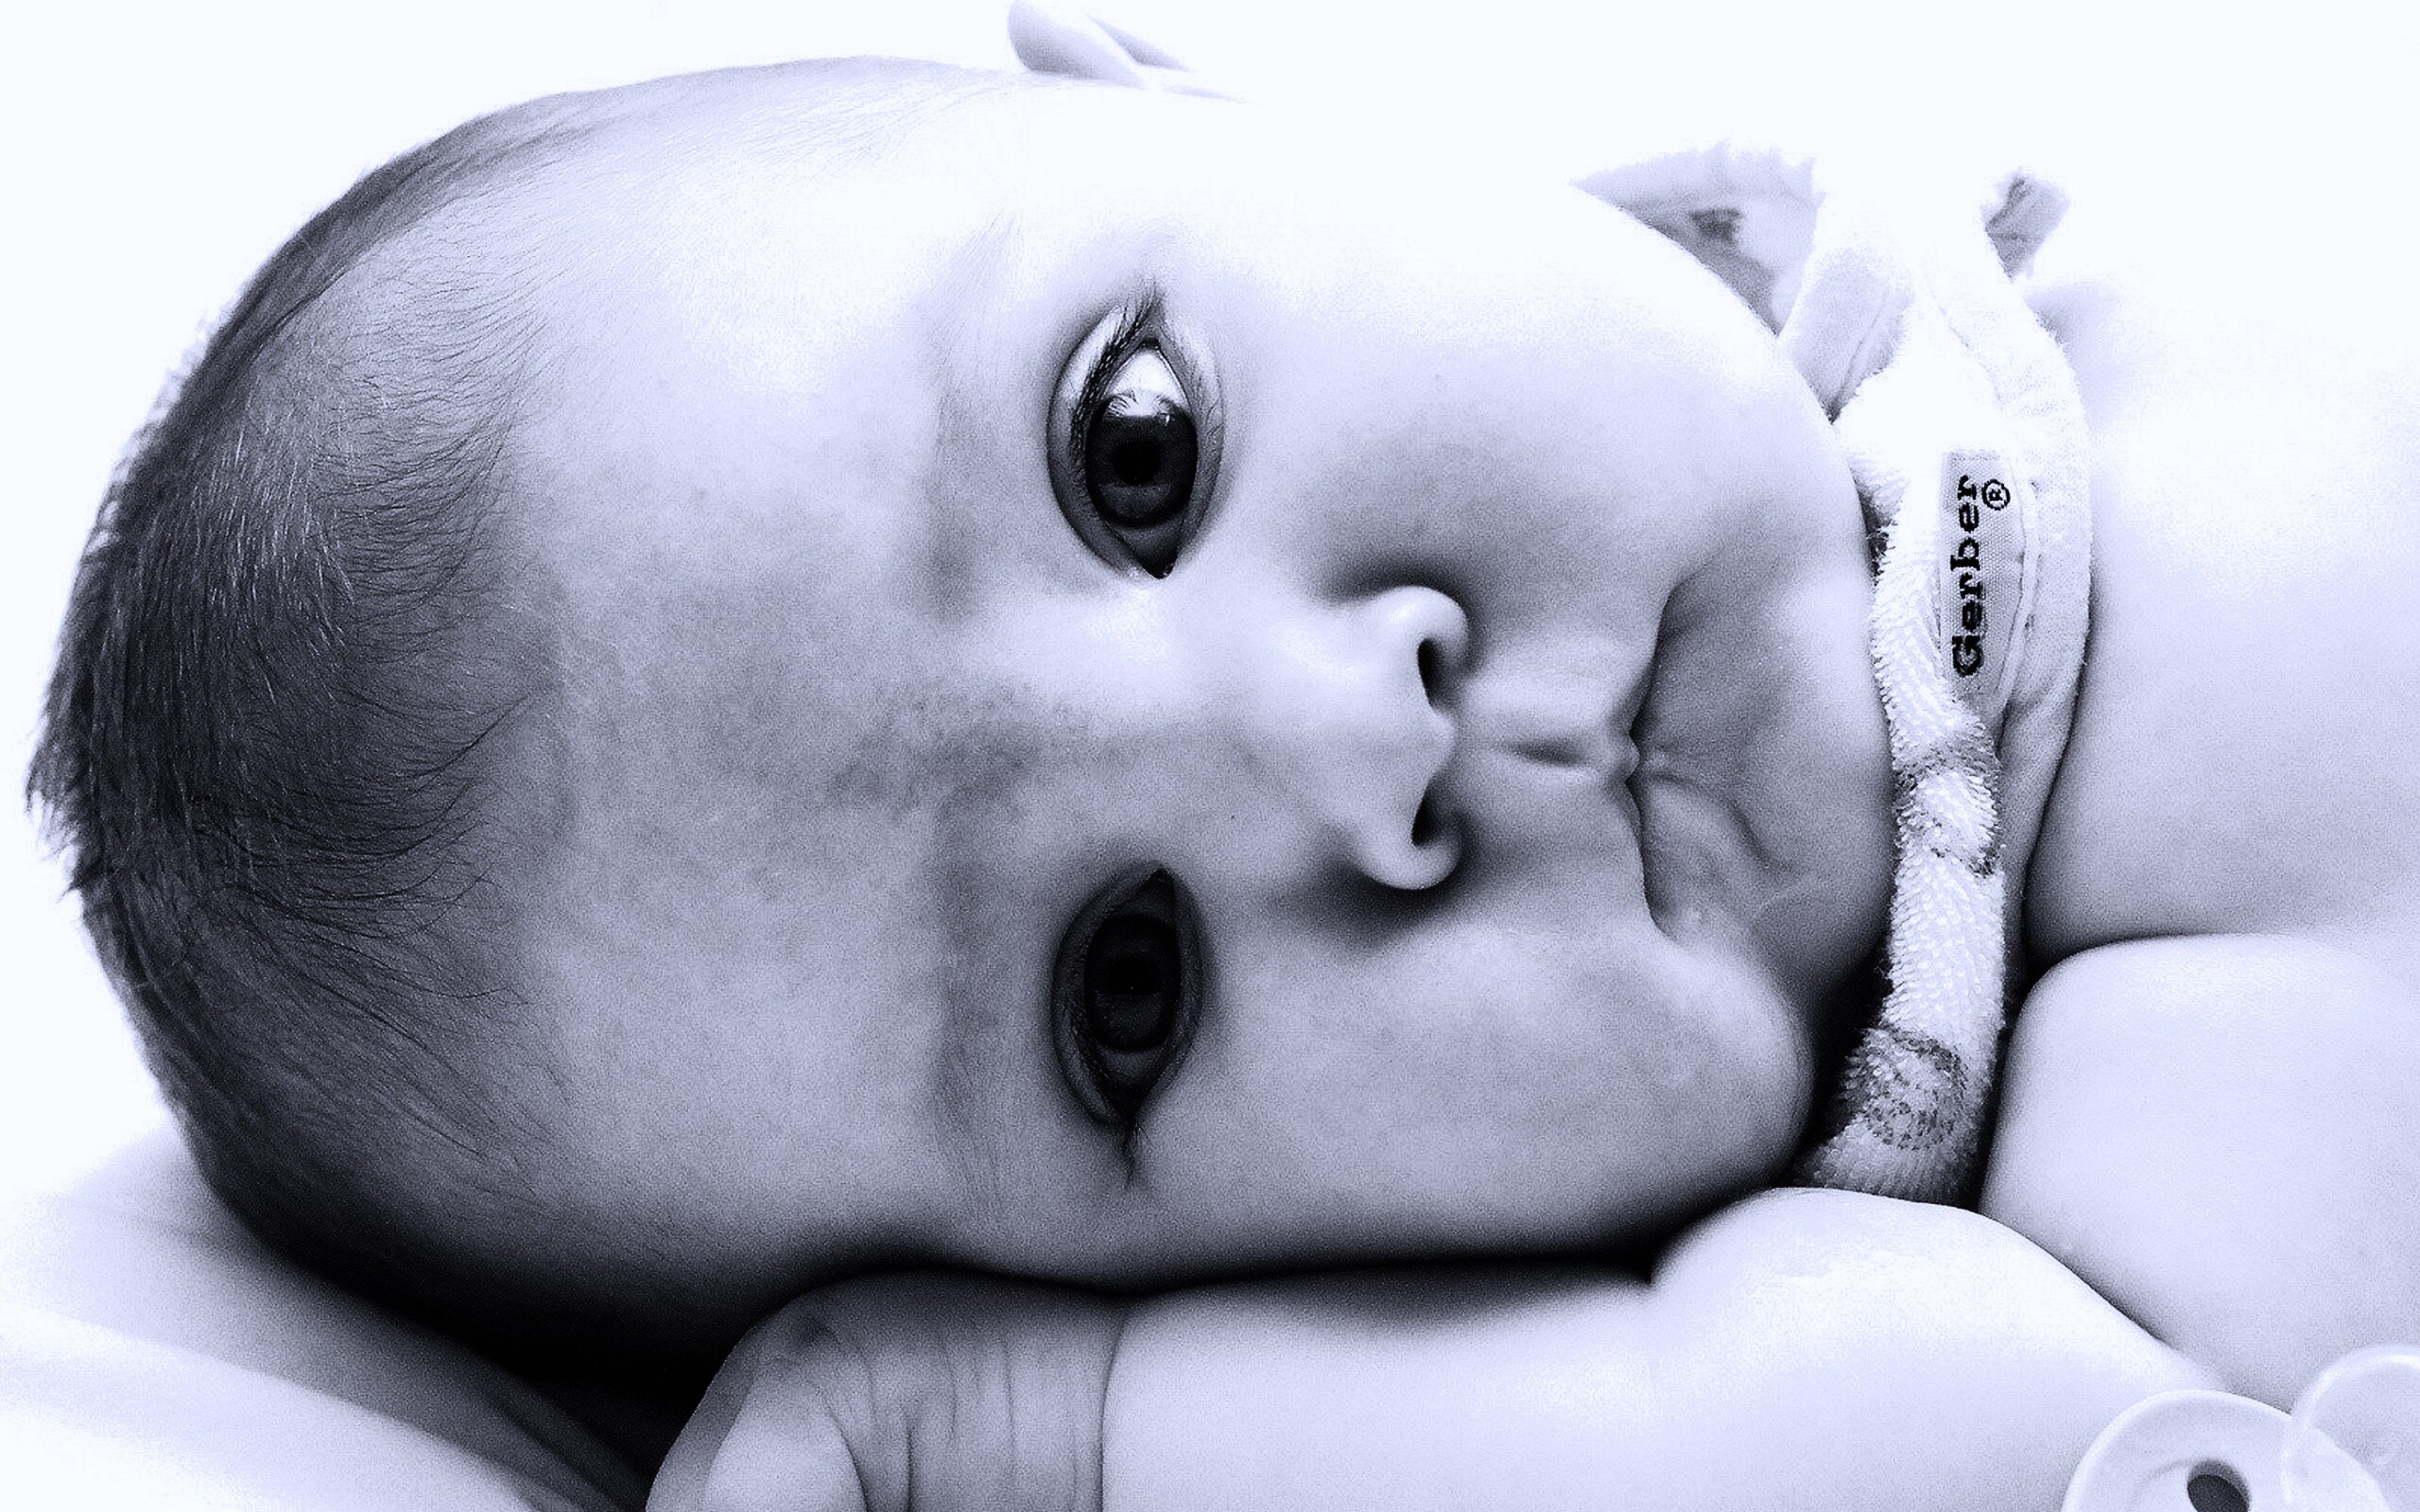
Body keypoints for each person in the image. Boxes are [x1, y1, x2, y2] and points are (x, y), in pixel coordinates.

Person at [29, 38, 2420, 1508]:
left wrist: (1068, 1433)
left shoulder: (2100, 431)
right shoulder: (2010, 1262)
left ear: (1176, 89)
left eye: (1138, 449)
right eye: (1128, 994)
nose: (1349, 744)